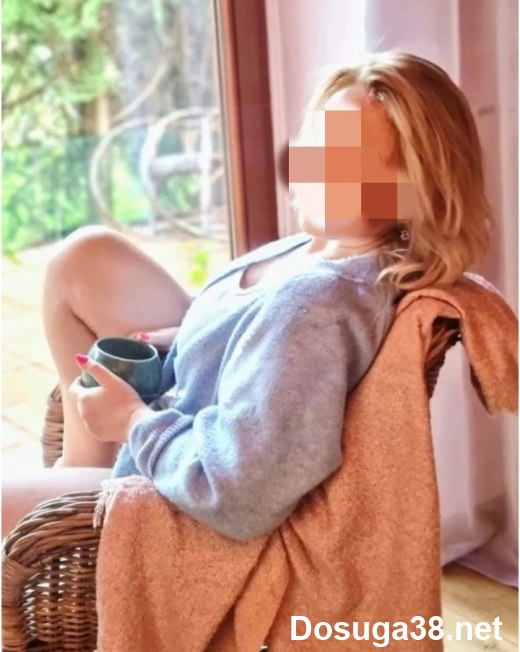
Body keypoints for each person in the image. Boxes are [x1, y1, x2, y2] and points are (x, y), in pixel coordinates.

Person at [2, 50, 492, 539]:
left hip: (172, 491)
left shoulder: (317, 307)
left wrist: (131, 420)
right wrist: (189, 333)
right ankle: (78, 476)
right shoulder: (326, 246)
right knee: (83, 258)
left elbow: (242, 494)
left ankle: (73, 522)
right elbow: (268, 343)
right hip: (179, 416)